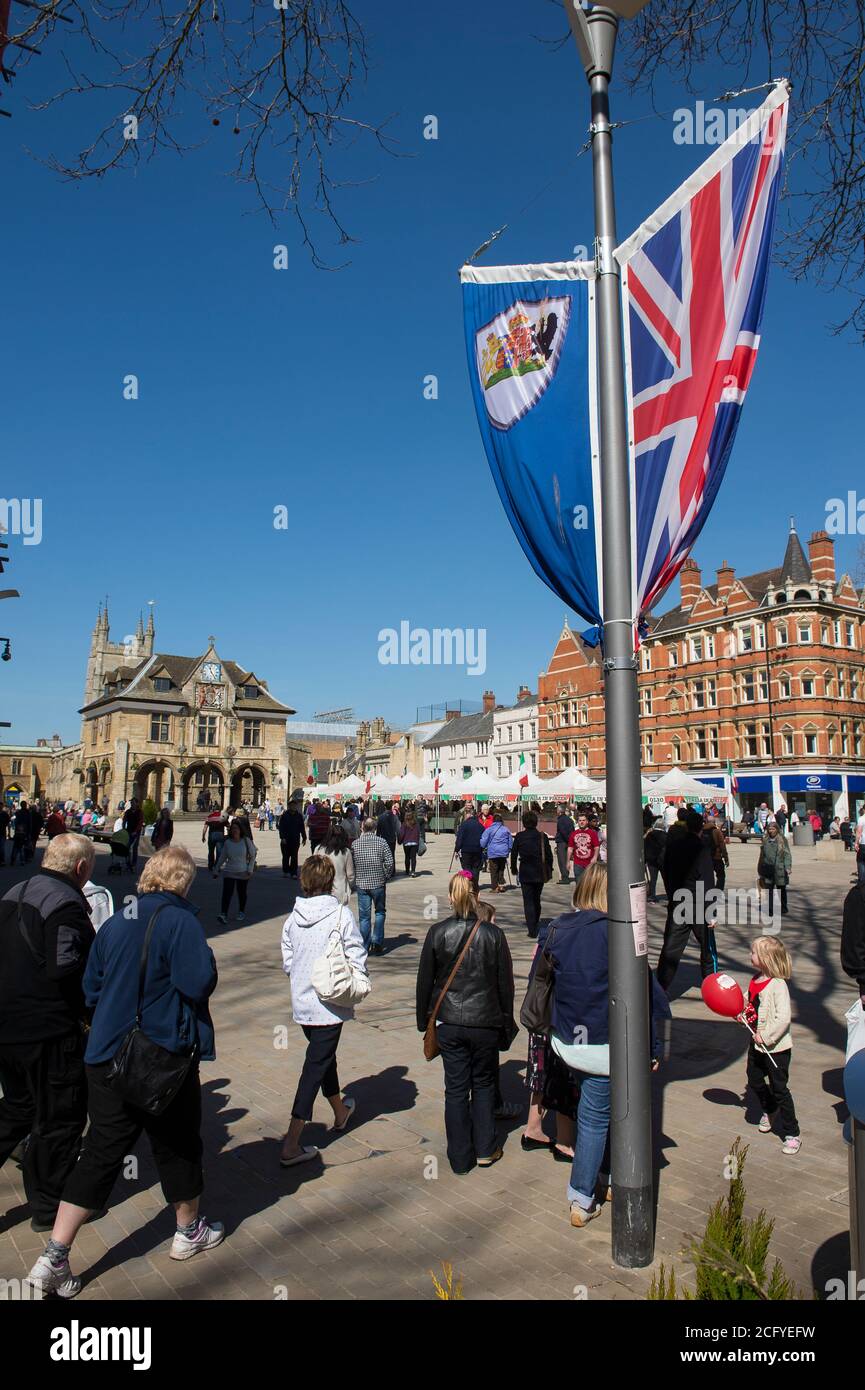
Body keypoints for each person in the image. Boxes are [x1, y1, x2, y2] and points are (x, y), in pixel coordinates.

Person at [27, 846, 221, 1298]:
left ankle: (53, 1255)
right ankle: (187, 1232)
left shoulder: (117, 920)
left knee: (99, 1153)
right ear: (183, 883)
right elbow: (196, 983)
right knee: (177, 1144)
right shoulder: (182, 922)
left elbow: (90, 986)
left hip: (107, 1053)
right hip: (161, 1056)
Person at [0, 833, 96, 1234]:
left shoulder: (14, 891)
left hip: (7, 1026)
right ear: (80, 868)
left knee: (19, 1107)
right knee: (59, 1117)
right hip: (49, 1029)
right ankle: (46, 1205)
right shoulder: (67, 904)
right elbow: (65, 968)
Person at [416, 872, 515, 1174]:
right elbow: (505, 986)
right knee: (484, 1084)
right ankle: (485, 1148)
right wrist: (505, 1024)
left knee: (456, 1089)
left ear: (450, 898)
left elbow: (424, 982)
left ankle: (460, 1156)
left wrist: (424, 1021)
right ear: (475, 896)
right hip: (485, 1021)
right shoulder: (493, 935)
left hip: (450, 1022)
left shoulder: (438, 932)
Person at [539, 863, 614, 1227]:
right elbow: (647, 994)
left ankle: (606, 1176)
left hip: (566, 1037)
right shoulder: (617, 932)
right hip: (603, 1040)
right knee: (597, 1116)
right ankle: (582, 1196)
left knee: (598, 1109)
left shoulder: (557, 928)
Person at [279, 854, 366, 1166]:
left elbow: (287, 956)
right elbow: (356, 949)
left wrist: (299, 971)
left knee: (322, 1058)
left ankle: (341, 1111)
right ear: (330, 882)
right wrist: (359, 977)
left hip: (303, 1001)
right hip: (329, 1003)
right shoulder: (340, 915)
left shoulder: (293, 917)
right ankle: (291, 1142)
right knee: (313, 1068)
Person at [740, 936, 799, 1155]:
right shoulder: (755, 979)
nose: (750, 955)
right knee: (753, 1078)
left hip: (776, 1048)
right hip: (756, 1044)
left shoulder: (778, 985)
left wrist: (767, 1036)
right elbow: (750, 1003)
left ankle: (792, 1133)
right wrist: (740, 1012)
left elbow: (783, 1018)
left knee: (780, 1088)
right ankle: (770, 1108)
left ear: (765, 958)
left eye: (753, 952)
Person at [656, 809, 717, 991]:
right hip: (698, 905)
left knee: (671, 949)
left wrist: (672, 894)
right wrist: (711, 911)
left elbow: (664, 869)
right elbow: (707, 880)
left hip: (679, 903)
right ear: (701, 829)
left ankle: (660, 987)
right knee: (707, 949)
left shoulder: (673, 846)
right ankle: (711, 985)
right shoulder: (701, 848)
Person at [351, 818, 394, 955]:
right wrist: (385, 876)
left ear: (363, 827)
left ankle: (365, 944)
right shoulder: (382, 842)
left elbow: (351, 863)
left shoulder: (355, 844)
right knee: (380, 912)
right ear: (375, 829)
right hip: (378, 883)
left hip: (362, 883)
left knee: (364, 916)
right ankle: (377, 942)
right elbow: (390, 862)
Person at [510, 810, 553, 939]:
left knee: (528, 901)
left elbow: (513, 854)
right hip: (539, 871)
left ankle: (531, 928)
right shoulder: (542, 836)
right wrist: (549, 868)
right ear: (536, 822)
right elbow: (549, 855)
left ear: (523, 823)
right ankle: (535, 921)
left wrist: (514, 868)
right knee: (536, 899)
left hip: (525, 871)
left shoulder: (519, 836)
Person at [213, 821, 257, 924]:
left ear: (240, 830)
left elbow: (253, 855)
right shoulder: (228, 842)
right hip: (229, 871)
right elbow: (223, 857)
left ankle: (241, 911)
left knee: (241, 893)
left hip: (243, 871)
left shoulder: (246, 841)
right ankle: (223, 914)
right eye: (233, 829)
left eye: (236, 828)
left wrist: (250, 869)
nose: (234, 830)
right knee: (227, 893)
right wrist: (216, 869)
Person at [314, 823, 355, 906]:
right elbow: (350, 875)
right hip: (339, 890)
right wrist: (351, 886)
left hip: (320, 888)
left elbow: (312, 869)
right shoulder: (346, 852)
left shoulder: (318, 849)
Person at [758, 820, 791, 918]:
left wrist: (788, 866)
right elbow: (762, 855)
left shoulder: (782, 839)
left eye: (773, 829)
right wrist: (760, 868)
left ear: (777, 829)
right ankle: (770, 910)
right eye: (769, 829)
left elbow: (787, 854)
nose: (771, 831)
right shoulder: (765, 840)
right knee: (769, 890)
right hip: (768, 868)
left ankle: (784, 907)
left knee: (781, 889)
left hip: (780, 868)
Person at [480, 813, 513, 892]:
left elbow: (483, 842)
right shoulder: (506, 829)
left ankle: (495, 887)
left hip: (493, 852)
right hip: (503, 852)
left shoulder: (489, 829)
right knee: (501, 868)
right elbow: (510, 841)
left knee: (493, 869)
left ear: (493, 820)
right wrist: (509, 849)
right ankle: (501, 885)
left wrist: (483, 846)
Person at [455, 804, 485, 890]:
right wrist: (482, 848)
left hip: (466, 850)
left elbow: (459, 838)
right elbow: (484, 838)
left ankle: (468, 884)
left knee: (467, 867)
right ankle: (474, 885)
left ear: (469, 815)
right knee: (476, 868)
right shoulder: (480, 826)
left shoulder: (464, 825)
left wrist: (457, 849)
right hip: (477, 849)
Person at [567, 812, 600, 887]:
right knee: (579, 885)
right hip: (578, 863)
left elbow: (596, 847)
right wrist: (568, 861)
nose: (581, 822)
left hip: (590, 863)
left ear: (587, 822)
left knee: (589, 885)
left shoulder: (592, 833)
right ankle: (579, 899)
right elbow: (570, 848)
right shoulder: (574, 834)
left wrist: (595, 857)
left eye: (583, 820)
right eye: (580, 820)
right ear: (577, 822)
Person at [278, 798, 307, 877]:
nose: (293, 807)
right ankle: (286, 871)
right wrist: (282, 837)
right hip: (286, 839)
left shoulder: (299, 816)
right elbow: (281, 827)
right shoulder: (284, 815)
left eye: (295, 805)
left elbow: (302, 827)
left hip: (295, 839)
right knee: (286, 856)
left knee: (294, 856)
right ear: (289, 806)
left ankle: (293, 872)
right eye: (292, 805)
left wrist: (304, 837)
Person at [702, 815, 729, 890]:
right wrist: (726, 858)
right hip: (716, 856)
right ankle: (718, 890)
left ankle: (706, 890)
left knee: (705, 876)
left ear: (706, 822)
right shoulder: (717, 831)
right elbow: (722, 846)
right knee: (721, 876)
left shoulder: (701, 830)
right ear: (714, 822)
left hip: (705, 858)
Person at [643, 817, 666, 902]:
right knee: (665, 879)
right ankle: (669, 894)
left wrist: (645, 859)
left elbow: (645, 848)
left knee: (653, 879)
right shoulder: (665, 836)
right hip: (663, 860)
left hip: (651, 860)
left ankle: (652, 895)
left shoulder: (649, 835)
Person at [554, 806, 576, 884]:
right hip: (568, 841)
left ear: (559, 811)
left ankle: (565, 877)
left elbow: (563, 831)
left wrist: (567, 840)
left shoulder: (560, 820)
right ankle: (566, 875)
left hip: (562, 842)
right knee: (567, 860)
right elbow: (572, 830)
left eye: (557, 810)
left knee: (562, 860)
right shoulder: (569, 820)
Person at [399, 809, 421, 877]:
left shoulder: (404, 824)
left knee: (407, 857)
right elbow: (418, 833)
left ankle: (407, 871)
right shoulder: (416, 824)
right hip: (414, 843)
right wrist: (417, 841)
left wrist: (400, 841)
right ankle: (413, 871)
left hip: (406, 843)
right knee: (413, 857)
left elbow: (402, 834)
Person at [122, 797, 144, 870]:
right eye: (131, 803)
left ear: (137, 803)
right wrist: (123, 829)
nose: (132, 804)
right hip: (129, 831)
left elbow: (140, 822)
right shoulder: (128, 811)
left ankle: (133, 864)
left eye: (133, 803)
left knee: (134, 848)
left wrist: (136, 831)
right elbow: (124, 820)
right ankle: (128, 864)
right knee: (127, 848)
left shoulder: (139, 812)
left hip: (136, 832)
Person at [10, 800, 30, 865]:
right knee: (23, 846)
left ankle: (13, 860)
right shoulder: (28, 813)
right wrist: (29, 832)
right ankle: (23, 860)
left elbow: (15, 822)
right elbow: (29, 824)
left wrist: (15, 830)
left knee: (16, 846)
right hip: (25, 831)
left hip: (18, 831)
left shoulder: (18, 812)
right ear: (25, 805)